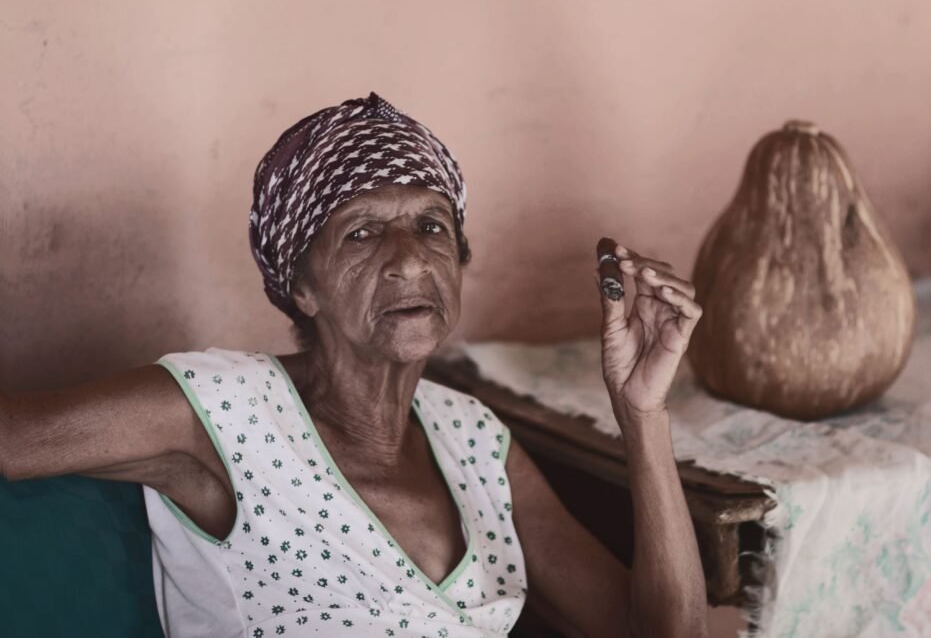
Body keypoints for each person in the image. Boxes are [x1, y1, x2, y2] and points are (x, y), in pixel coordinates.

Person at [0, 93, 707, 637]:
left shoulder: (474, 439)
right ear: (301, 289)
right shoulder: (226, 410)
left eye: (431, 225)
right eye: (363, 233)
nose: (409, 260)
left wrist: (642, 413)